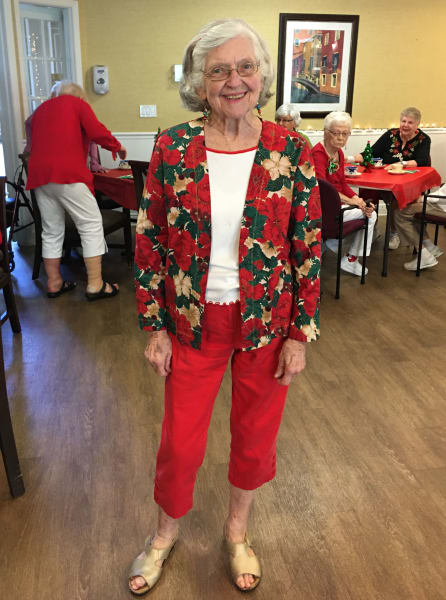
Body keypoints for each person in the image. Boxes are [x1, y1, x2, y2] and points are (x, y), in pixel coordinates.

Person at [131, 18, 321, 595]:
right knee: (180, 440)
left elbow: (307, 246)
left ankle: (237, 531)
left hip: (267, 319)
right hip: (193, 319)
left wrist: (299, 334)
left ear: (261, 76)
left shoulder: (293, 151)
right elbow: (149, 239)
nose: (233, 80)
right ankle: (165, 534)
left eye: (244, 67)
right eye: (218, 70)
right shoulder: (173, 144)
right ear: (199, 82)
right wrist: (153, 325)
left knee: (255, 434)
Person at [26, 81, 127, 300]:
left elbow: (30, 139)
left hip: (40, 175)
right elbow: (96, 131)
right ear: (79, 96)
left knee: (51, 229)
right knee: (90, 224)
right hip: (68, 172)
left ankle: (54, 283)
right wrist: (117, 147)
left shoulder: (39, 111)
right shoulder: (77, 105)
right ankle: (95, 285)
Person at [352, 107, 431, 251]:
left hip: (407, 182)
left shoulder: (423, 140)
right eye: (403, 121)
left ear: (417, 125)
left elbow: (422, 161)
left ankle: (394, 233)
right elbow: (371, 152)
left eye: (410, 122)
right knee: (367, 191)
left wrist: (401, 164)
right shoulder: (390, 135)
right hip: (382, 179)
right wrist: (352, 158)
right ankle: (371, 228)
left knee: (396, 196)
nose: (405, 125)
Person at [312, 111, 377, 277]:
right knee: (371, 216)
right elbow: (324, 190)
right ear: (326, 133)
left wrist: (358, 200)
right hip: (323, 208)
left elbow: (342, 183)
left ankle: (329, 246)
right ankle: (349, 259)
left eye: (345, 133)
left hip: (337, 204)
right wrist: (353, 202)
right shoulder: (318, 154)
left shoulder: (339, 153)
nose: (341, 138)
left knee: (369, 211)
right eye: (336, 133)